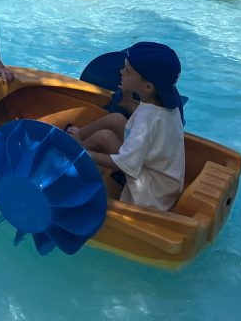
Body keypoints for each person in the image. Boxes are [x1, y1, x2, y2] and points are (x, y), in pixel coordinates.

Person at [66, 42, 186, 212]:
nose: (121, 72)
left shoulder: (147, 120)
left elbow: (124, 164)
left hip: (149, 196)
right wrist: (129, 104)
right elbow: (152, 125)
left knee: (104, 137)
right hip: (163, 182)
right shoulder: (167, 105)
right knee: (116, 119)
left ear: (148, 87)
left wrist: (87, 153)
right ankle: (74, 138)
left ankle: (75, 154)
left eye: (127, 71)